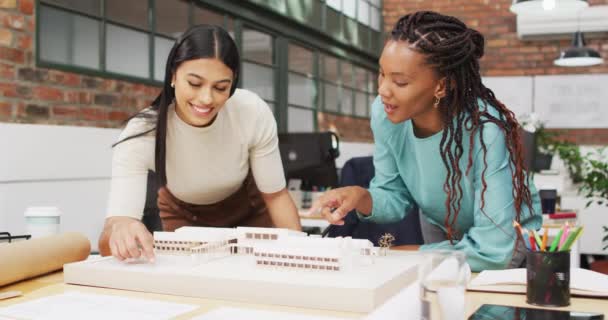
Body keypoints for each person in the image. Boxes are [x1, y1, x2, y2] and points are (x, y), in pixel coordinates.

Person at [310, 11, 542, 271]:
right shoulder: (384, 114)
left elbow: (492, 250)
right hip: (442, 227)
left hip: (503, 239)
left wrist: (410, 253)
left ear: (441, 86)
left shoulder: (487, 130)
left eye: (400, 81)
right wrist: (360, 196)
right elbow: (393, 196)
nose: (383, 90)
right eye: (382, 74)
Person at [99, 25, 302, 262]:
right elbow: (110, 234)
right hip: (185, 221)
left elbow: (276, 197)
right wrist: (121, 228)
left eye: (220, 88)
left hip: (250, 214)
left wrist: (299, 253)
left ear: (233, 83)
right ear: (173, 75)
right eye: (195, 83)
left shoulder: (251, 112)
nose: (206, 99)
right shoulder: (142, 133)